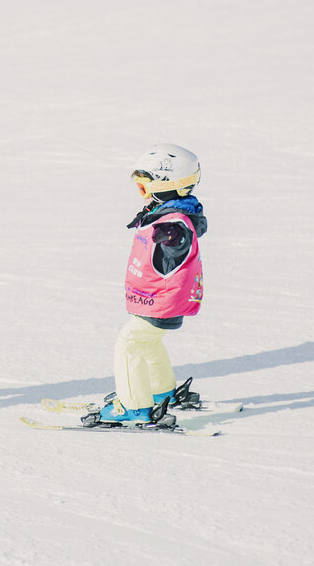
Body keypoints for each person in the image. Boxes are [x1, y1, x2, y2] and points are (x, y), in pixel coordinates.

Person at [85, 144, 206, 428]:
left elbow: (181, 243)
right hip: (160, 299)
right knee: (148, 343)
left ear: (167, 185)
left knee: (129, 344)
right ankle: (162, 392)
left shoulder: (175, 223)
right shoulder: (166, 213)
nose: (142, 193)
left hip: (161, 301)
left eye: (144, 186)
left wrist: (173, 238)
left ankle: (134, 406)